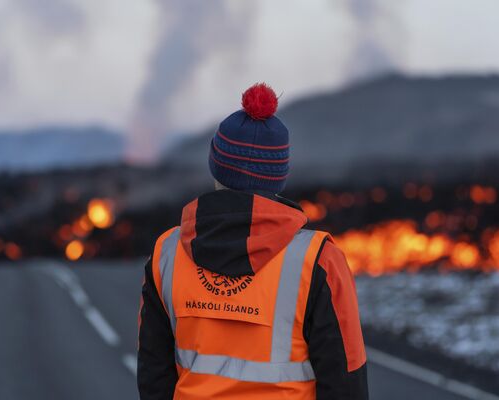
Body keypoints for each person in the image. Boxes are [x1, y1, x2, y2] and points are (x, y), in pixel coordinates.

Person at [137, 83, 368, 400]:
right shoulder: (318, 261)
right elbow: (346, 381)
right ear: (279, 175)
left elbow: (153, 374)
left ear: (215, 166)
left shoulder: (168, 253)